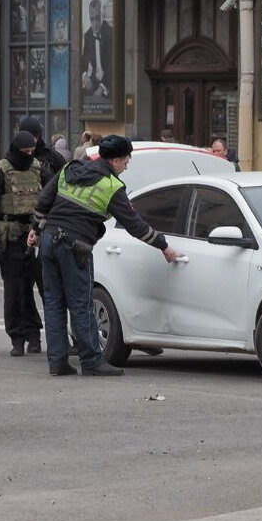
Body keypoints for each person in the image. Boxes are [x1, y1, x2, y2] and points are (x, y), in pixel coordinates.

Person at [31, 135, 182, 376]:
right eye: (126, 160)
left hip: (49, 241)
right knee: (81, 304)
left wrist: (35, 230)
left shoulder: (70, 169)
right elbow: (135, 226)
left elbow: (44, 201)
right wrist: (164, 246)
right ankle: (92, 361)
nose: (127, 165)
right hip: (74, 245)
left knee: (54, 303)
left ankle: (57, 361)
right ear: (115, 160)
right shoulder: (111, 186)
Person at [0, 131, 45, 357]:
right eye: (25, 153)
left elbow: (49, 197)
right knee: (14, 291)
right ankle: (17, 337)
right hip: (10, 240)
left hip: (35, 236)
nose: (29, 156)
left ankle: (34, 335)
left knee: (34, 289)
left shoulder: (38, 168)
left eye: (32, 152)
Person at [81, 0, 112, 99]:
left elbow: (114, 67)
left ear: (102, 15)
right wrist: (85, 76)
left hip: (109, 86)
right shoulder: (87, 35)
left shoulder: (111, 34)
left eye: (97, 18)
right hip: (94, 84)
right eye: (92, 19)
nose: (95, 24)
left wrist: (103, 87)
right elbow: (83, 61)